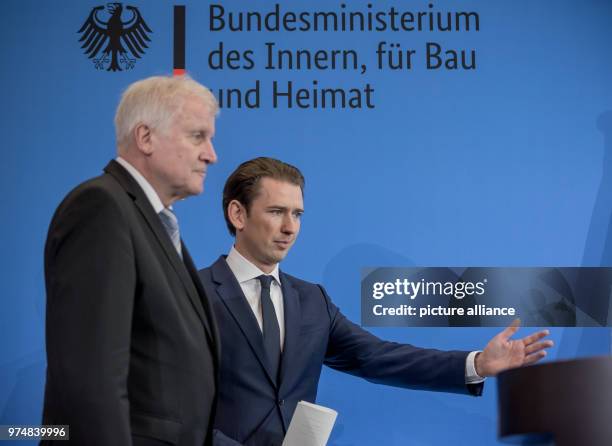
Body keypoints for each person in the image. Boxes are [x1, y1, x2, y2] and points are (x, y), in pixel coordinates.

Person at [198, 157, 553, 446]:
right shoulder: (192, 292)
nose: (290, 227)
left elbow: (377, 357)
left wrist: (476, 364)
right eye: (277, 211)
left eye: (298, 214)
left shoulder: (311, 300)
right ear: (238, 214)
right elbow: (167, 403)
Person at [43, 75, 220, 446]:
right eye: (197, 136)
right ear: (146, 138)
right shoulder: (101, 208)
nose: (211, 154)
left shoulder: (151, 220)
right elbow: (92, 377)